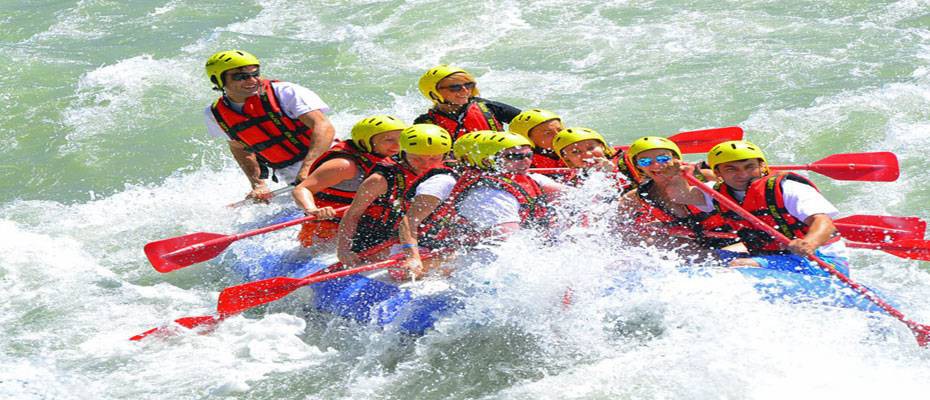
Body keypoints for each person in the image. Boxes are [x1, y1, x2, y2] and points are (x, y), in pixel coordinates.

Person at [663, 140, 850, 276]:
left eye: (749, 167)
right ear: (717, 173)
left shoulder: (787, 188)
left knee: (740, 264)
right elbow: (681, 196)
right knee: (693, 255)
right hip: (773, 256)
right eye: (731, 169)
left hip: (819, 261)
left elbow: (823, 222)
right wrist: (678, 175)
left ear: (762, 166)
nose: (742, 174)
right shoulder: (719, 194)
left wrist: (809, 243)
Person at [203, 50, 336, 201]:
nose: (252, 80)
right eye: (241, 77)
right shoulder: (215, 114)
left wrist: (307, 167)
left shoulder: (285, 92)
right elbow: (239, 147)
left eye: (255, 74)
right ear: (217, 80)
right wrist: (257, 184)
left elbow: (324, 127)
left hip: (329, 162)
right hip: (290, 177)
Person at [419, 132, 564, 250]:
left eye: (528, 155)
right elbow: (511, 246)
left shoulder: (528, 179)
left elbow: (575, 198)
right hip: (477, 263)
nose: (526, 161)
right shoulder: (489, 196)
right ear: (487, 161)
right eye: (514, 156)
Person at [336, 124, 456, 266]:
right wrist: (343, 250)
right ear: (403, 152)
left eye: (434, 158)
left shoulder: (450, 168)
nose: (426, 165)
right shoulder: (379, 180)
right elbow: (352, 214)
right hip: (377, 236)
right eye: (417, 159)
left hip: (415, 230)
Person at [293, 115, 405, 247]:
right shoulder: (344, 166)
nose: (397, 145)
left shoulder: (391, 160)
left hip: (365, 230)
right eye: (388, 139)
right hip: (324, 237)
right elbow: (301, 189)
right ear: (364, 142)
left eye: (400, 139)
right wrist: (312, 209)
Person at [615, 136, 732, 251]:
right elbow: (614, 221)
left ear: (675, 159)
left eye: (663, 159)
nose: (656, 165)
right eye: (645, 161)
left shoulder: (705, 177)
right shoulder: (637, 196)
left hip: (736, 239)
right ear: (638, 167)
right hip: (697, 246)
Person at [414, 65, 521, 140]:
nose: (465, 90)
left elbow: (530, 123)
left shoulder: (488, 107)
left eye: (469, 85)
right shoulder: (426, 123)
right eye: (455, 87)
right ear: (433, 94)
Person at [549, 127, 634, 190]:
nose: (587, 155)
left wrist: (613, 171)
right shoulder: (575, 180)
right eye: (575, 152)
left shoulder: (626, 161)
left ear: (602, 147)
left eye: (591, 148)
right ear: (567, 158)